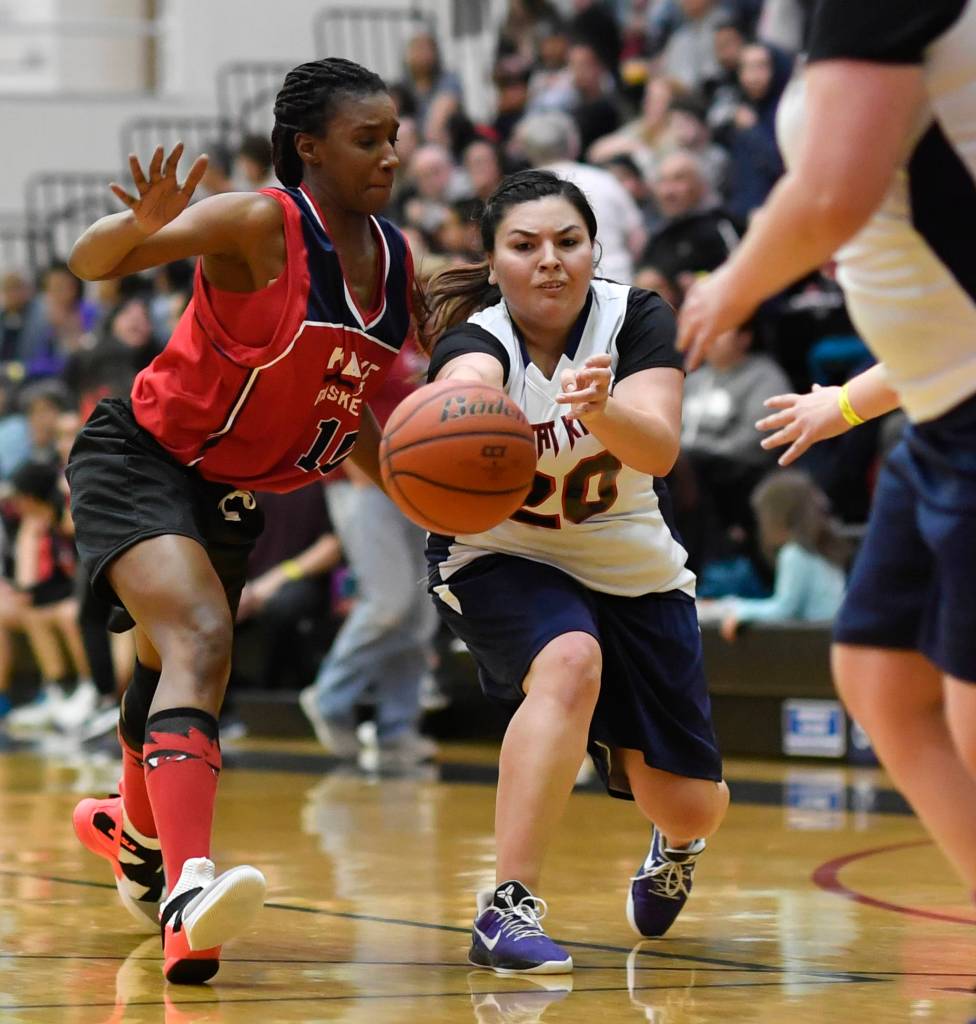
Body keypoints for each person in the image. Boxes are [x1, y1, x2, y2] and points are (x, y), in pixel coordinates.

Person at [64, 56, 415, 984]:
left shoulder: (395, 260)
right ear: (310, 147)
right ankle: (187, 891)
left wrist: (430, 504)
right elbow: (89, 262)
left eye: (394, 137)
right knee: (201, 637)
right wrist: (138, 228)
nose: (389, 155)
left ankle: (132, 831)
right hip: (137, 455)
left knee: (163, 659)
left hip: (225, 486)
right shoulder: (262, 221)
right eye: (366, 138)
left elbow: (359, 416)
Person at [677, 1, 976, 900]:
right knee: (879, 672)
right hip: (940, 410)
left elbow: (833, 195)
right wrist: (847, 401)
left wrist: (726, 286)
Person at [423, 169, 729, 974]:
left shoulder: (637, 318)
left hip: (629, 562)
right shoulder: (478, 342)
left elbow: (659, 449)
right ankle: (507, 909)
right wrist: (458, 405)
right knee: (569, 660)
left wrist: (602, 409)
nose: (549, 260)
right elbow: (464, 383)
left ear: (595, 250)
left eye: (568, 242)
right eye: (524, 246)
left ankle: (673, 836)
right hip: (501, 553)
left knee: (691, 800)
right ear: (493, 262)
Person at [714, 470, 846, 642]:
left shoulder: (795, 553)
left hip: (818, 642)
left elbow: (784, 609)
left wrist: (739, 610)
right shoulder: (822, 547)